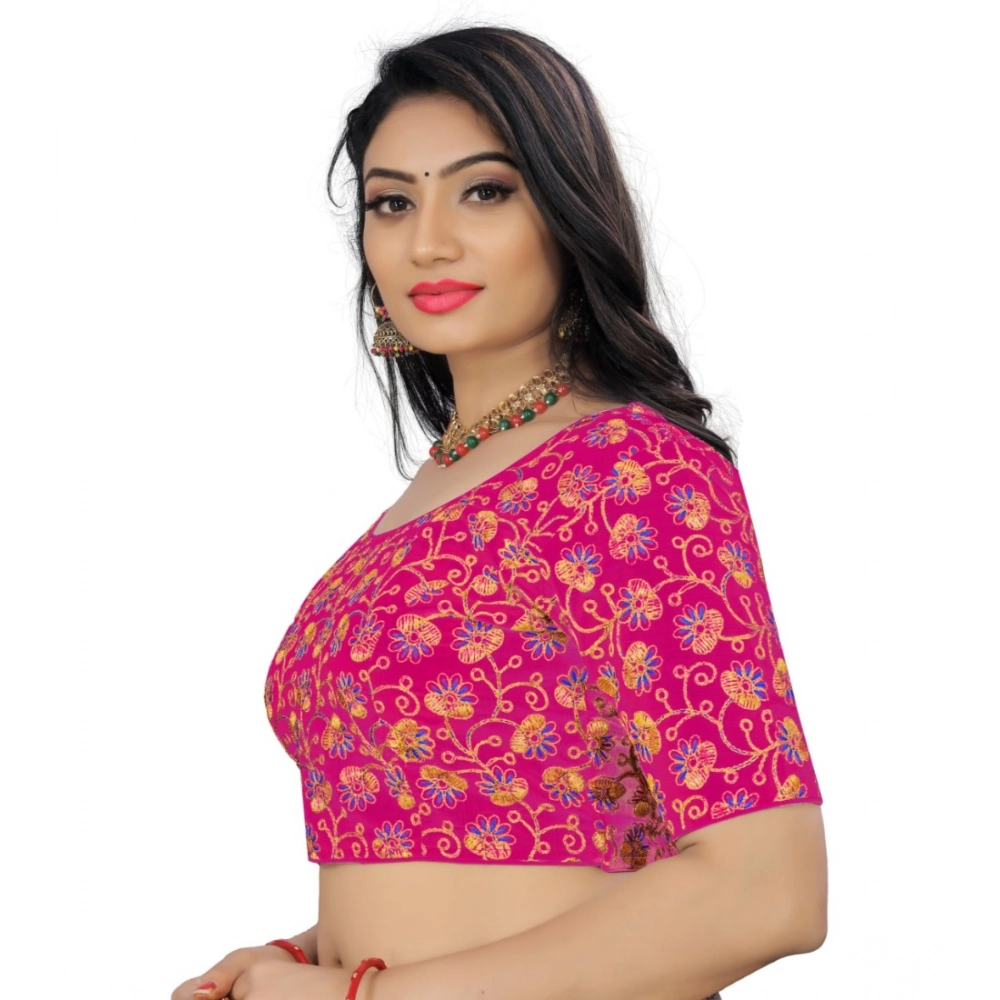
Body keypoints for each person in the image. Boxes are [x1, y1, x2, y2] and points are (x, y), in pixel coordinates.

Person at [171, 24, 827, 1000]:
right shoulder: (429, 495)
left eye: (483, 190)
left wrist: (362, 997)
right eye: (393, 201)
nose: (427, 240)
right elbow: (492, 852)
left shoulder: (629, 469)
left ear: (567, 209)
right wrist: (304, 955)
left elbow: (765, 890)